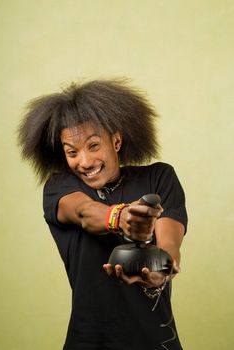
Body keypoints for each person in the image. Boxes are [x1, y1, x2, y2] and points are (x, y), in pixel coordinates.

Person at [18, 79, 187, 350]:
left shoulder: (159, 178)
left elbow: (169, 246)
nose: (84, 162)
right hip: (88, 342)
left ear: (116, 141)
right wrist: (120, 217)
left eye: (93, 146)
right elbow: (83, 212)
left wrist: (159, 272)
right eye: (72, 152)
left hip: (157, 341)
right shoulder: (60, 186)